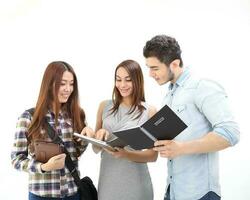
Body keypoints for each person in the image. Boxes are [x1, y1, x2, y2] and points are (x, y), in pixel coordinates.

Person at [143, 35, 240, 200]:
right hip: (173, 191)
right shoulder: (169, 95)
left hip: (200, 193)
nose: (150, 74)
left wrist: (181, 148)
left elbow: (230, 133)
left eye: (155, 68)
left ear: (174, 64)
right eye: (148, 67)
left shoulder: (202, 86)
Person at [11, 61, 94, 200]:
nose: (68, 89)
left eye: (71, 83)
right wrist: (44, 167)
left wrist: (86, 138)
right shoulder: (29, 118)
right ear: (49, 85)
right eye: (62, 83)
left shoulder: (77, 115)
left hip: (72, 193)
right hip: (42, 195)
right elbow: (17, 159)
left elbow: (76, 153)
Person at [94, 59, 158, 200]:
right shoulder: (104, 106)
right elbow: (95, 149)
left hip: (137, 183)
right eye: (118, 79)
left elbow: (153, 156)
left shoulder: (150, 111)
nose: (122, 85)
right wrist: (99, 135)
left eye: (128, 80)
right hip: (108, 181)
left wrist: (126, 154)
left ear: (137, 81)